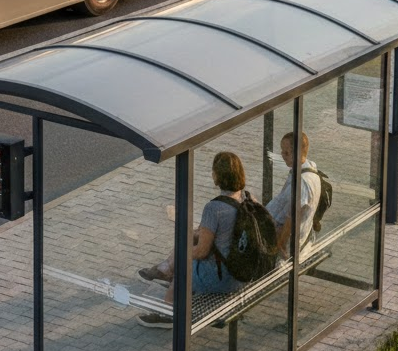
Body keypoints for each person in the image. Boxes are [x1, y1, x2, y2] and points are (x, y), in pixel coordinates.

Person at [137, 151, 248, 327]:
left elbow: (202, 251)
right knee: (192, 238)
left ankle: (168, 313)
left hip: (223, 278)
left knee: (184, 263)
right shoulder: (247, 198)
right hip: (242, 273)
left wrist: (182, 254)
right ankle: (167, 271)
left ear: (217, 175)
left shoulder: (214, 208)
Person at [265, 131, 322, 256]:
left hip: (283, 241)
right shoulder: (303, 170)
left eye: (286, 152)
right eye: (281, 151)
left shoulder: (303, 182)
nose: (282, 156)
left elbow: (293, 217)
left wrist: (280, 244)